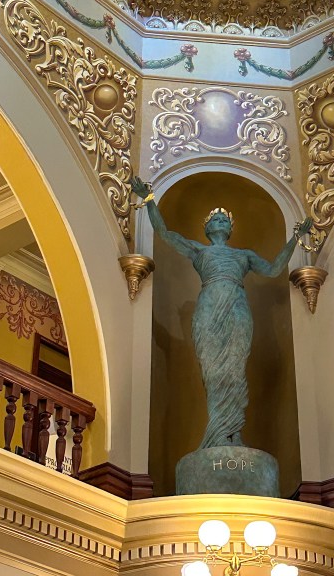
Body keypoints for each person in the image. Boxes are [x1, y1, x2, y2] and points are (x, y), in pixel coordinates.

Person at [131, 176, 312, 450]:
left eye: (224, 219)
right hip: (208, 309)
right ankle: (218, 433)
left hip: (237, 309)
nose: (220, 221)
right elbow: (165, 233)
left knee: (235, 371)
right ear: (206, 228)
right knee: (213, 372)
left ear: (230, 229)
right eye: (215, 219)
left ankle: (233, 433)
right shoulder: (197, 250)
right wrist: (148, 200)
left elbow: (274, 269)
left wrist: (295, 239)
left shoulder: (244, 255)